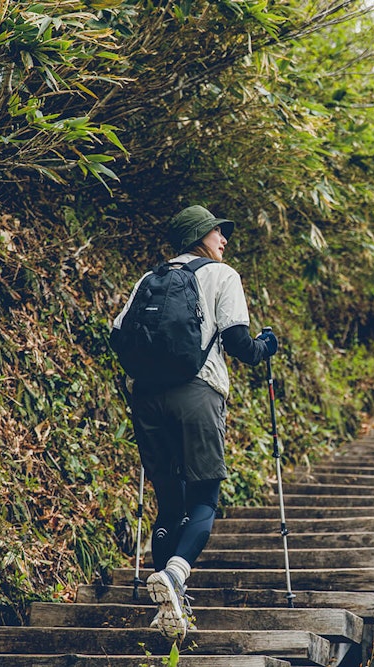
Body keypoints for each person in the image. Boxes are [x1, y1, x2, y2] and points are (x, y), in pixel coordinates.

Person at [111, 204, 278, 640]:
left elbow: (117, 335)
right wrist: (267, 345)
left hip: (146, 397)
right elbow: (240, 343)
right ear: (199, 236)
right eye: (218, 232)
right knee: (205, 498)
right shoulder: (224, 276)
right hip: (196, 394)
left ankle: (167, 604)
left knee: (170, 503)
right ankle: (176, 576)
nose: (224, 239)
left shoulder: (149, 279)